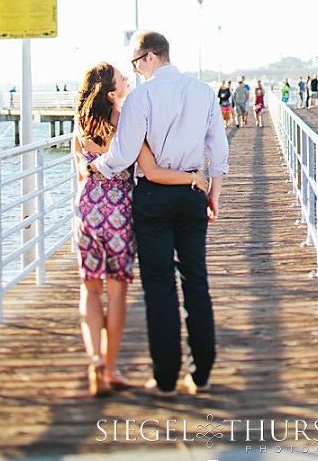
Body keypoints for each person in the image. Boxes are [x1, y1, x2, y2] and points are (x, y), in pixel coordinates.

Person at [90, 31, 229, 397]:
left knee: (159, 286)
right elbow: (218, 147)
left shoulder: (142, 96)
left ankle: (165, 377)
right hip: (192, 191)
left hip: (152, 197)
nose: (135, 71)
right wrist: (212, 193)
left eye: (137, 64)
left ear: (150, 57)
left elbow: (123, 152)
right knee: (196, 280)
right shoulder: (203, 91)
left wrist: (94, 168)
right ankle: (202, 374)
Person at [73, 62, 208, 397]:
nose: (128, 81)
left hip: (86, 210)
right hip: (118, 212)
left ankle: (95, 361)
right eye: (122, 79)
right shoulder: (125, 123)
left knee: (90, 290)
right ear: (111, 92)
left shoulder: (80, 124)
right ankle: (113, 365)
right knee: (116, 290)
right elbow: (151, 169)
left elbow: (82, 171)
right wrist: (194, 178)